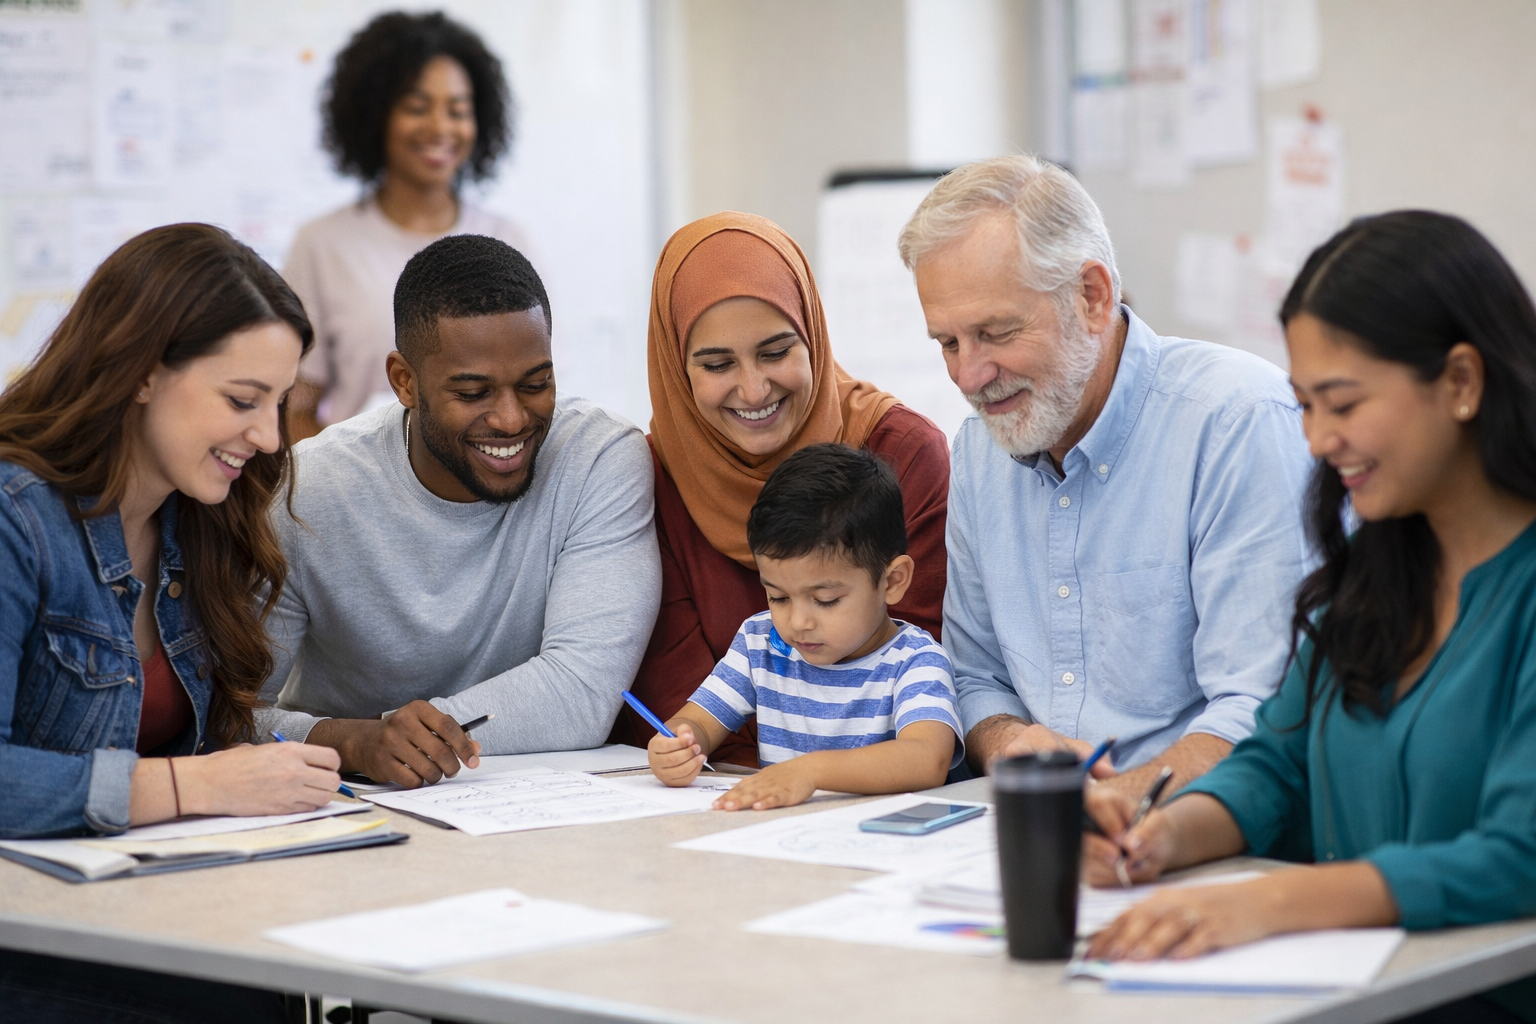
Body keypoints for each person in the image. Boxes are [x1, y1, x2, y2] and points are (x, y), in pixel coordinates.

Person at [1083, 211, 1536, 1024]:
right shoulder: (1372, 575)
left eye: (1343, 403)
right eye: (1302, 405)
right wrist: (1161, 838)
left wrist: (1275, 903)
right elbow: (1277, 768)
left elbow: (1520, 857)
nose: (1319, 439)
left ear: (1462, 382)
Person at [0, 223, 340, 1021]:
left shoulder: (204, 524)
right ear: (144, 374)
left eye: (279, 402)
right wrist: (192, 785)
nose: (267, 438)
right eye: (242, 400)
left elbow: (220, 741)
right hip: (42, 955)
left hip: (169, 918)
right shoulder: (16, 521)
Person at [898, 154, 1312, 796]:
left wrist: (1116, 805)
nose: (968, 376)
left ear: (1091, 297)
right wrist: (1008, 741)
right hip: (1033, 825)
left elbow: (1264, 709)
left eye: (996, 332)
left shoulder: (1237, 422)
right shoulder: (980, 452)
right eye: (948, 343)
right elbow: (974, 677)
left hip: (1216, 837)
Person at [258, 234, 661, 787]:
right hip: (346, 807)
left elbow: (582, 694)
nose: (511, 419)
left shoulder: (600, 458)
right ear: (405, 381)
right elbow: (234, 711)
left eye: (535, 384)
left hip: (538, 807)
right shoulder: (307, 490)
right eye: (472, 393)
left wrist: (402, 740)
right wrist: (355, 743)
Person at [616, 211, 951, 766]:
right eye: (717, 363)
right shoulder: (654, 474)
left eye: (776, 352)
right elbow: (680, 698)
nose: (753, 389)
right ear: (678, 369)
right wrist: (691, 752)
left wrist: (800, 776)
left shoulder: (902, 452)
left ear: (812, 336)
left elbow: (910, 671)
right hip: (729, 800)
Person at [648, 443, 961, 809]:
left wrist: (809, 772)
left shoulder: (915, 660)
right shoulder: (762, 643)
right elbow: (698, 721)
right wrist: (678, 744)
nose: (797, 623)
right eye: (778, 597)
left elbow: (928, 758)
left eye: (825, 600)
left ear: (892, 581)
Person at [284, 10, 526, 436]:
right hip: (355, 489)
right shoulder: (322, 244)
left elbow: (533, 390)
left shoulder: (506, 241)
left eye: (457, 110)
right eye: (417, 107)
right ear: (376, 115)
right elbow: (298, 404)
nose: (439, 127)